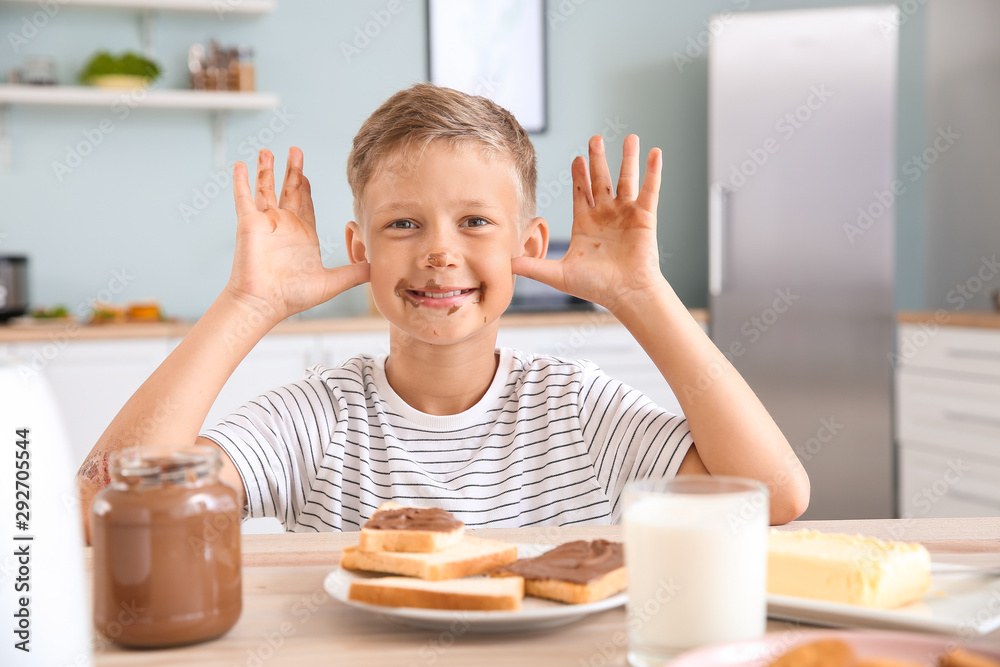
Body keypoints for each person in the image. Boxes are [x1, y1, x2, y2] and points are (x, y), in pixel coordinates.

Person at [77, 84, 809, 536]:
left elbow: (775, 495)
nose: (439, 252)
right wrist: (248, 303)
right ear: (359, 246)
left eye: (475, 222)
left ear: (527, 244)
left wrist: (642, 295)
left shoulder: (575, 409)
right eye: (403, 223)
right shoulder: (318, 420)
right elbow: (100, 504)